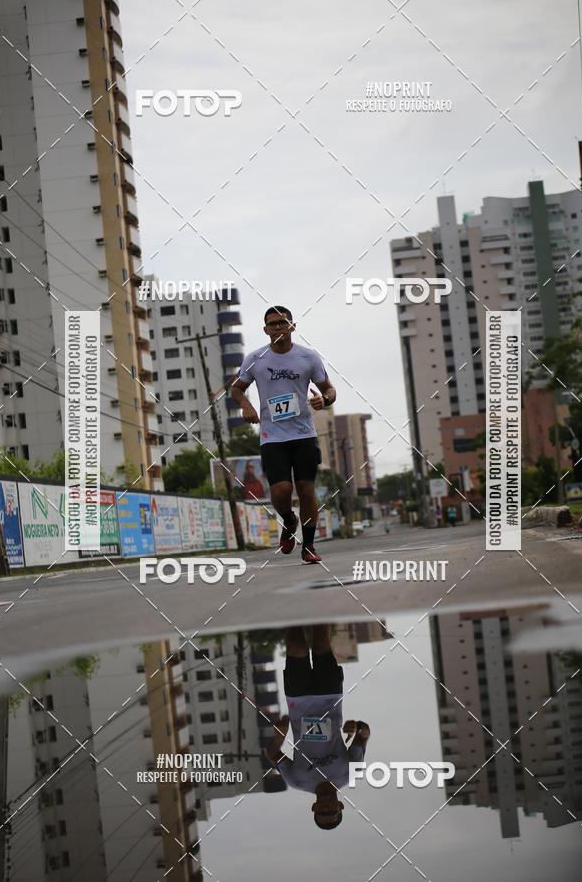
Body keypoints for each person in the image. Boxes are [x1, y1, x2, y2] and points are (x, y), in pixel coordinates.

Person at [230, 306, 336, 564]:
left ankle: (308, 545)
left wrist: (325, 399)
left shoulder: (308, 357)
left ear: (292, 326)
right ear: (265, 330)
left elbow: (329, 389)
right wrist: (246, 405)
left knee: (307, 490)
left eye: (282, 322)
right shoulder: (256, 358)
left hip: (303, 434)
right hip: (272, 436)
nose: (278, 327)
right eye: (272, 323)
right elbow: (236, 389)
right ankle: (289, 520)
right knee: (281, 490)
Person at [265, 625, 370, 829]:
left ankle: (291, 607)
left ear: (314, 808)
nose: (326, 808)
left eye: (321, 812)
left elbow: (272, 754)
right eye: (331, 811)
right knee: (321, 641)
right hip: (329, 695)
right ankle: (318, 602)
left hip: (298, 700)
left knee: (297, 646)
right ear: (340, 805)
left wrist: (279, 736)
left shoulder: (297, 781)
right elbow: (364, 735)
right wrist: (355, 727)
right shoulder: (351, 773)